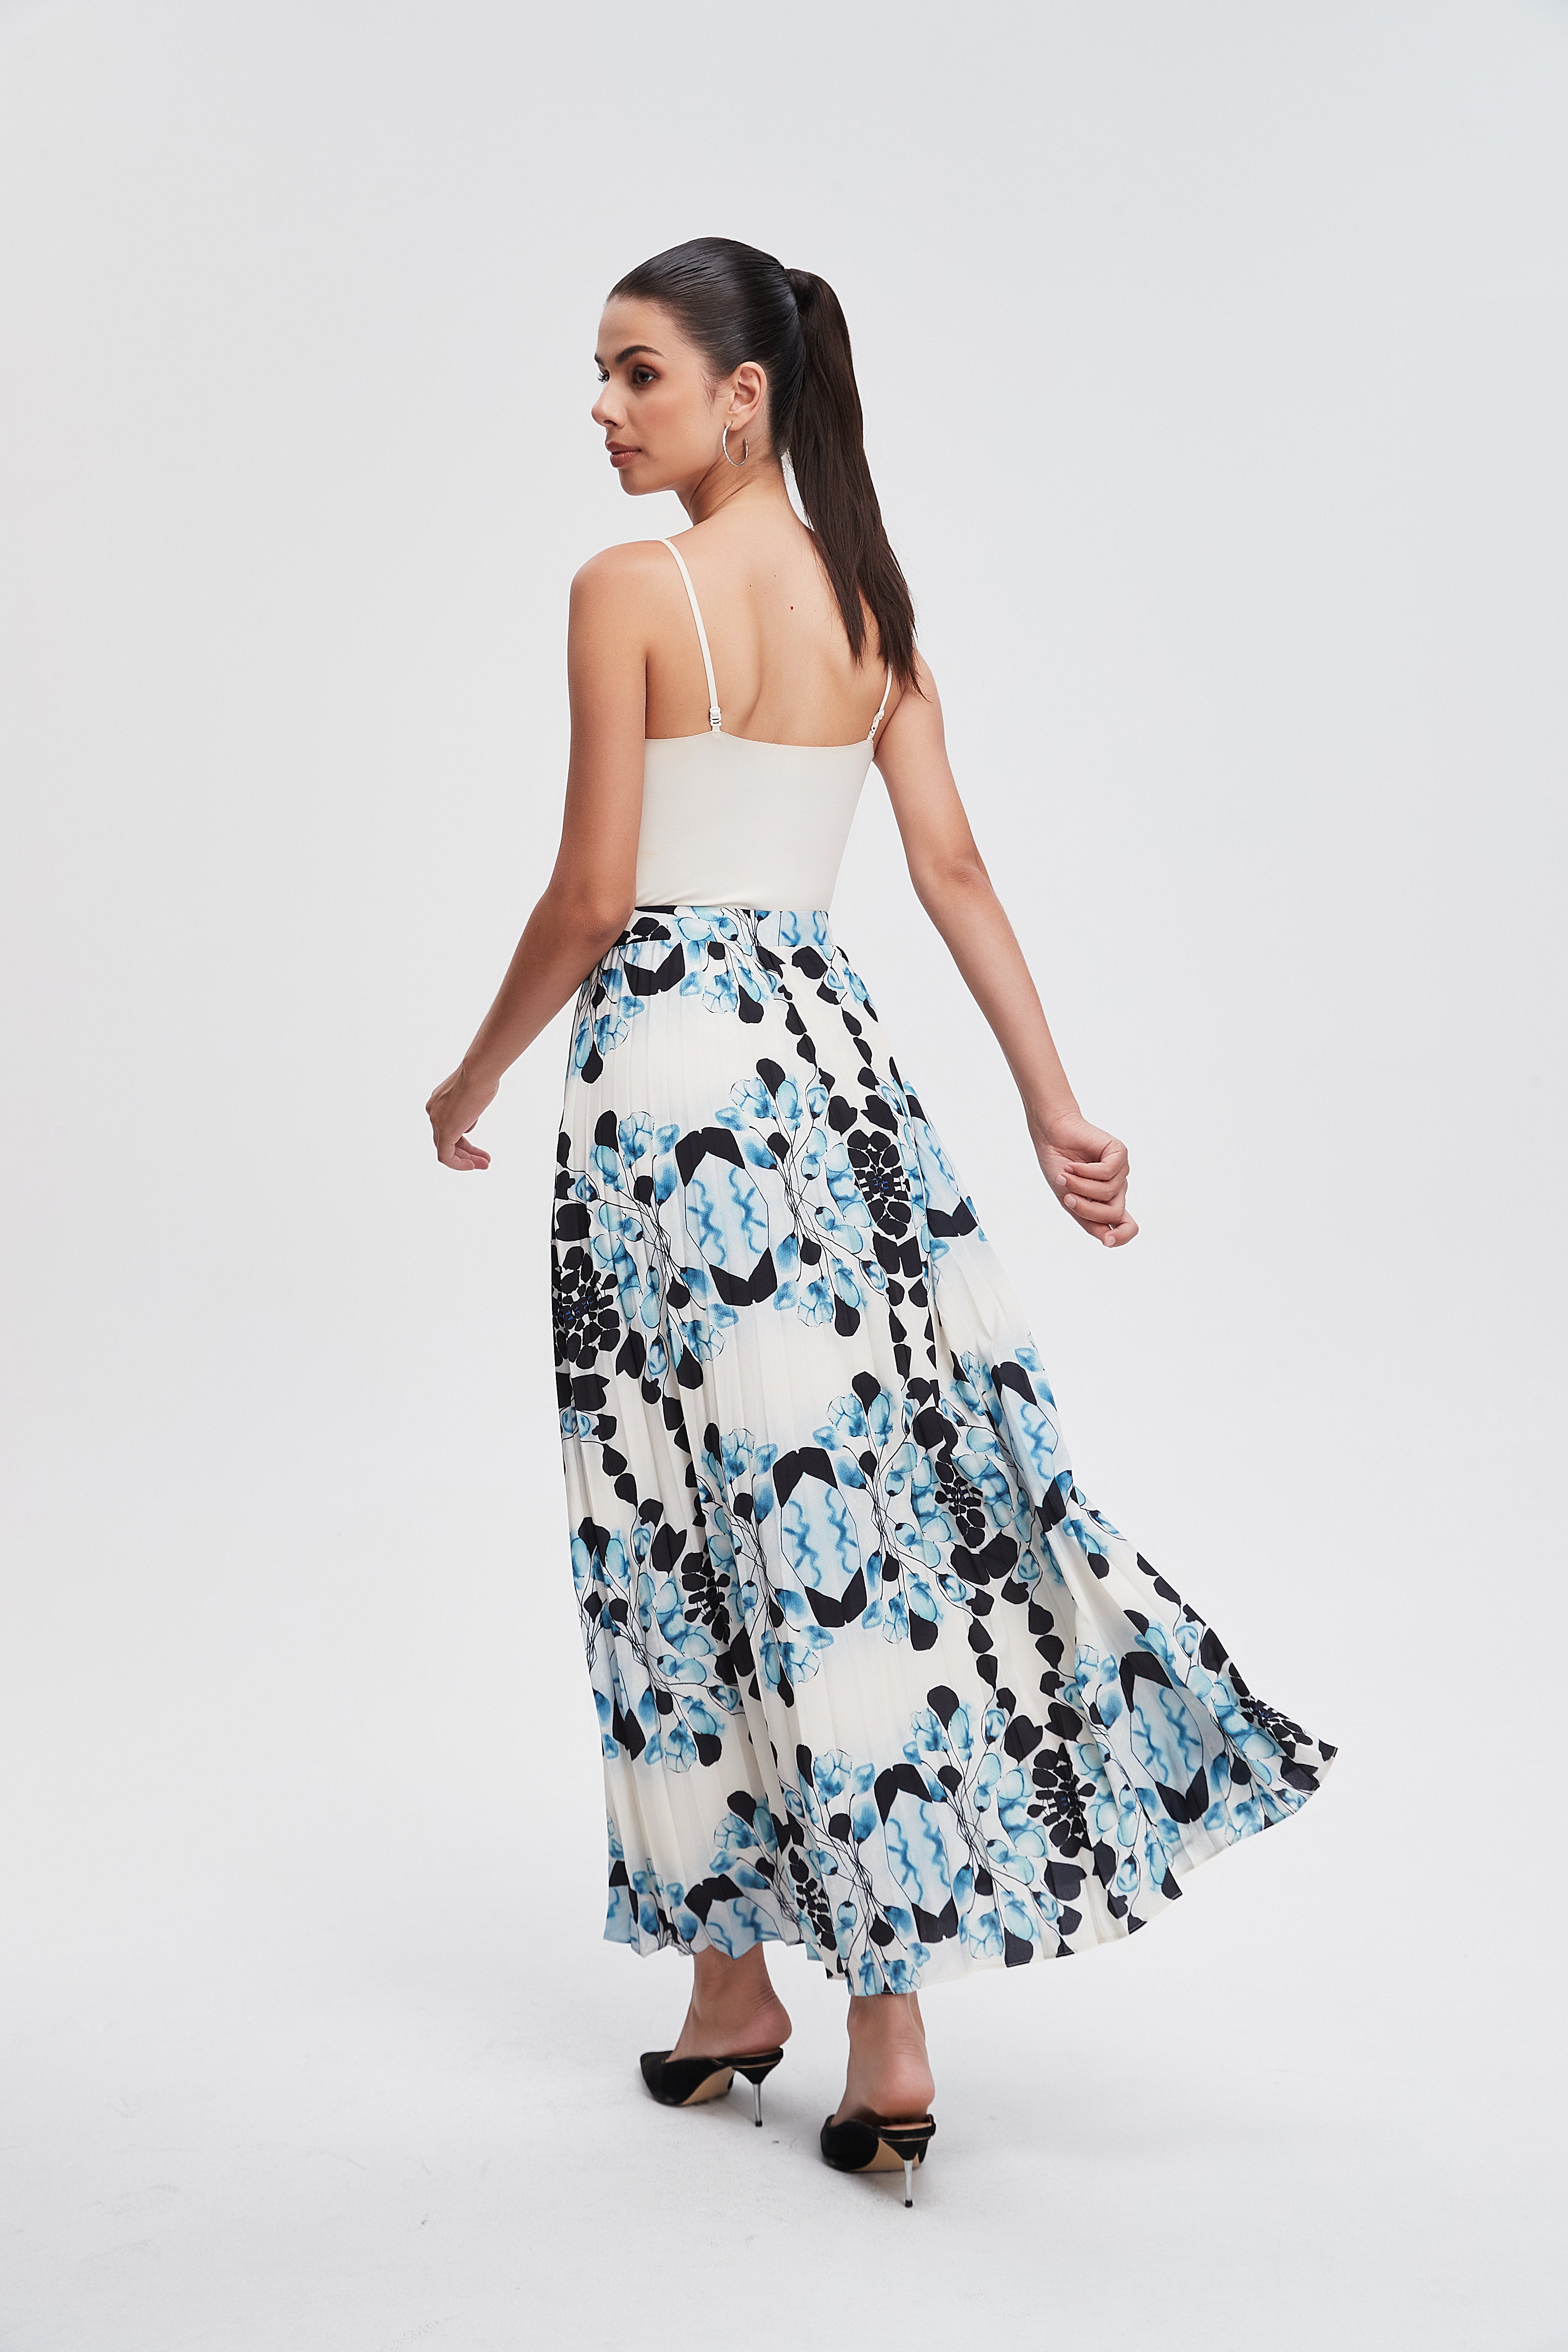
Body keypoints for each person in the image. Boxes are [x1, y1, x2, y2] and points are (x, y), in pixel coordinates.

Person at [426, 236, 1333, 2205]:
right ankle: (825, 2015)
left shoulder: (627, 590)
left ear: (741, 395)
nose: (605, 409)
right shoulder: (872, 604)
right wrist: (1055, 1102)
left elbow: (593, 898)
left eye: (638, 372)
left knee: (675, 1526)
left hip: (668, 1087)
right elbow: (954, 868)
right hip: (832, 1080)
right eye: (603, 374)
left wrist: (472, 1074)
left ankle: (755, 1976)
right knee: (854, 1524)